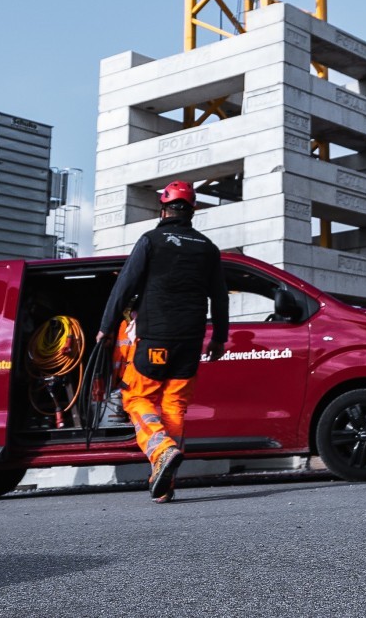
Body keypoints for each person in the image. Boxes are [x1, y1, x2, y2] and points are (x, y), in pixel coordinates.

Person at [96, 181, 229, 501]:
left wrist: (106, 327)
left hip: (156, 336)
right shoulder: (207, 247)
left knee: (136, 399)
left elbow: (124, 286)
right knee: (174, 406)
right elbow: (220, 296)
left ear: (163, 209)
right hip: (190, 340)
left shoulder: (151, 241)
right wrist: (219, 338)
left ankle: (161, 448)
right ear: (193, 210)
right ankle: (164, 484)